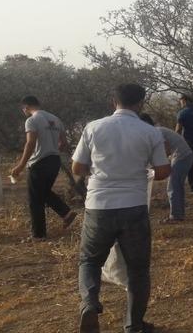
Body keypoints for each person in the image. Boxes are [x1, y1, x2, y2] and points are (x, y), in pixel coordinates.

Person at [72, 84, 171, 333]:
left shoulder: (93, 127)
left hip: (98, 206)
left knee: (90, 261)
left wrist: (97, 172)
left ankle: (89, 305)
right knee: (138, 269)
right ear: (141, 103)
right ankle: (134, 325)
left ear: (112, 101)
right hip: (133, 206)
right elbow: (161, 172)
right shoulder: (149, 132)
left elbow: (76, 167)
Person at [9, 95, 77, 240]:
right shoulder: (55, 119)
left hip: (39, 162)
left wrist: (20, 165)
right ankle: (66, 212)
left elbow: (30, 143)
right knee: (43, 192)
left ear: (26, 107)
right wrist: (52, 147)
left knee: (35, 199)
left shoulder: (32, 120)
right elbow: (63, 143)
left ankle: (38, 235)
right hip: (54, 161)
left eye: (23, 110)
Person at [139, 113, 193, 222]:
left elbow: (166, 149)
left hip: (181, 156)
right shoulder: (155, 131)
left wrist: (157, 165)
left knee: (172, 186)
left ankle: (176, 216)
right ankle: (179, 214)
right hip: (185, 155)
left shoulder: (156, 132)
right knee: (177, 186)